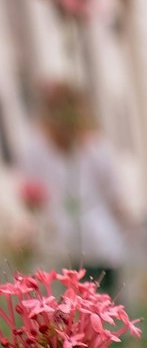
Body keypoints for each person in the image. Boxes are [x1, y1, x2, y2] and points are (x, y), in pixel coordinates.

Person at [19, 80, 129, 292]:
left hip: (99, 244)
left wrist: (125, 223)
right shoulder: (35, 148)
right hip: (60, 250)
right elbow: (30, 194)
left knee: (102, 307)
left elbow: (113, 192)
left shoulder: (94, 146)